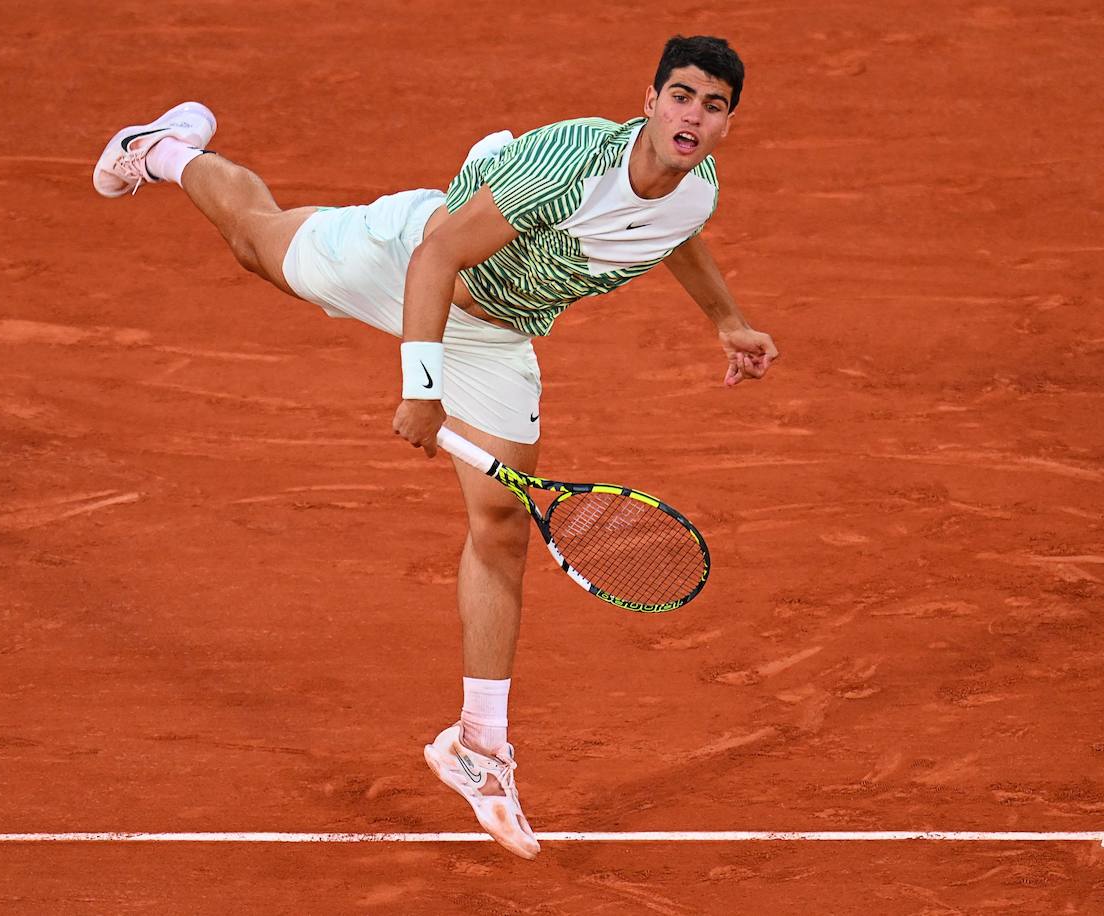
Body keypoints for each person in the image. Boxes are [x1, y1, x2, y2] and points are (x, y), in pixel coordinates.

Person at [92, 34, 777, 860]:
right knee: (254, 241)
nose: (692, 115)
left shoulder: (694, 189)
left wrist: (727, 321)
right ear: (650, 98)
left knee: (501, 526)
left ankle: (479, 748)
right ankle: (160, 149)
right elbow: (440, 251)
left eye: (712, 105)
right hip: (410, 260)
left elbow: (673, 235)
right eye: (681, 96)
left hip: (498, 337)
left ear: (728, 122)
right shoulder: (571, 165)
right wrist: (421, 387)